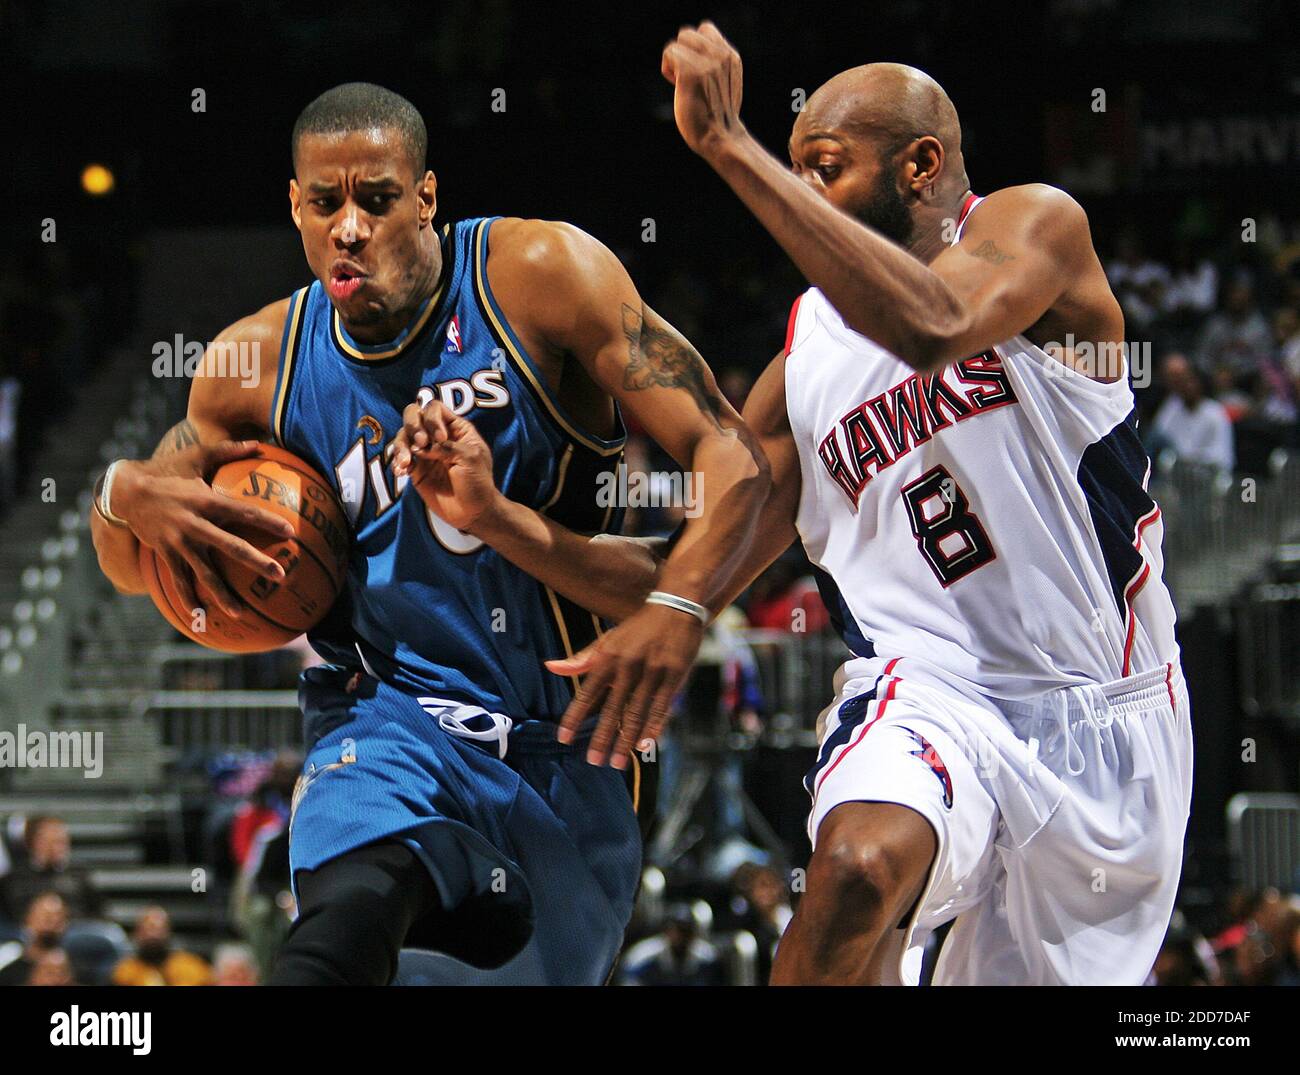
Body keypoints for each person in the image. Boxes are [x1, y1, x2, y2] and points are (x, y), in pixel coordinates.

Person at [454, 23, 1190, 985]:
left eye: (825, 169)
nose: (799, 195)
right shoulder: (803, 367)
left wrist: (731, 144)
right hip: (933, 694)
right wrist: (496, 519)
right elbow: (683, 576)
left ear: (922, 167)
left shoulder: (1030, 227)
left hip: (1114, 723)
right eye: (794, 170)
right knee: (849, 872)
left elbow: (936, 325)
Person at [89, 82, 768, 986]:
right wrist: (122, 494)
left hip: (563, 743)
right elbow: (134, 567)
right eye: (324, 204)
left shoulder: (538, 276)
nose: (350, 227)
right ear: (295, 206)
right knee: (355, 898)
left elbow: (731, 451)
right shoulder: (252, 368)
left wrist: (676, 599)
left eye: (376, 199)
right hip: (383, 718)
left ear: (426, 197)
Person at [0, 815, 101, 922]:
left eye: (61, 842)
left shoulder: (78, 875)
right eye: (51, 841)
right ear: (33, 843)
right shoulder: (14, 879)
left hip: (74, 933)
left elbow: (98, 911)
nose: (58, 848)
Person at [1151, 352, 1235, 470]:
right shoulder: (1174, 404)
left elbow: (1222, 457)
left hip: (1203, 471)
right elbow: (1158, 434)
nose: (1187, 387)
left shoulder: (1215, 412)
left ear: (1201, 385)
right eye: (1184, 383)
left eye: (1191, 382)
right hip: (1176, 465)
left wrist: (1190, 458)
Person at [111, 906, 211, 986]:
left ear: (168, 931)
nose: (153, 934)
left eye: (158, 928)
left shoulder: (192, 967)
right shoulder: (125, 971)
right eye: (147, 929)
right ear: (137, 933)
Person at [0, 891, 69, 986]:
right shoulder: (8, 961)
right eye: (47, 919)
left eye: (59, 920)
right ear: (28, 919)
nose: (52, 925)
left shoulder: (76, 964)